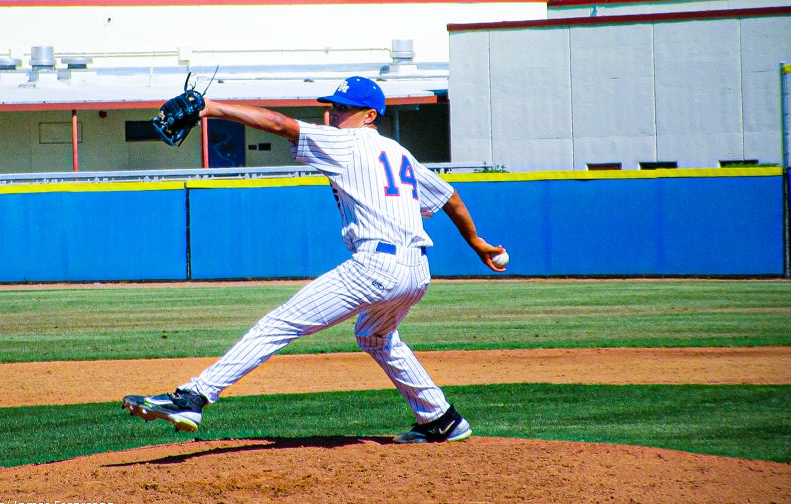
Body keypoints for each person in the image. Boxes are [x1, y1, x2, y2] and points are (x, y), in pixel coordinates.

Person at [123, 76, 506, 443]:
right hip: (417, 272)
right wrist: (477, 242)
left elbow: (279, 124)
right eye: (333, 107)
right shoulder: (399, 153)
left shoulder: (349, 143)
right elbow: (448, 196)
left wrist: (211, 107)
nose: (334, 114)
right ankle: (440, 418)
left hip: (376, 267)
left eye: (344, 108)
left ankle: (194, 397)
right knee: (376, 337)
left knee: (279, 323)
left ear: (370, 115)